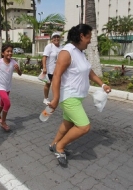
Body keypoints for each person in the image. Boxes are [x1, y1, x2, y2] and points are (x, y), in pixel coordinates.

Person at [48, 24, 112, 167]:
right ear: (81, 36)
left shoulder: (80, 52)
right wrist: (55, 98)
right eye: (88, 37)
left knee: (68, 123)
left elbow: (89, 72)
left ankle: (53, 144)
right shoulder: (67, 52)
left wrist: (102, 85)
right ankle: (60, 147)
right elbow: (56, 76)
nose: (90, 41)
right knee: (84, 127)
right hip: (69, 97)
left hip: (77, 96)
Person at [0, 44, 22, 132]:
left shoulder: (13, 62)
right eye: (8, 51)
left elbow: (20, 74)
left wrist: (18, 69)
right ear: (3, 53)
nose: (10, 53)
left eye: (11, 51)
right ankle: (3, 122)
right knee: (7, 103)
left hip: (7, 87)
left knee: (2, 102)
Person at [41, 32, 62, 105]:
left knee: (56, 85)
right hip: (50, 69)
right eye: (54, 37)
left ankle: (56, 98)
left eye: (57, 37)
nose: (56, 38)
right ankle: (46, 98)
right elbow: (44, 57)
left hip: (58, 70)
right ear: (52, 39)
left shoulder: (62, 47)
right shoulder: (49, 46)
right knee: (48, 84)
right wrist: (44, 67)